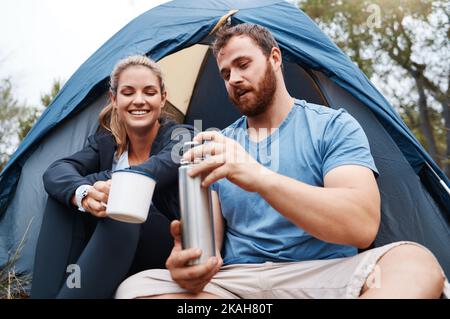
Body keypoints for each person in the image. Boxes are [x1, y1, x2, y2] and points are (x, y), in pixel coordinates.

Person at [115, 25, 449, 299]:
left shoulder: (333, 126)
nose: (233, 79)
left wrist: (258, 176)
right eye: (226, 73)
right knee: (136, 289)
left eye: (243, 65)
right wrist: (189, 268)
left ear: (274, 58)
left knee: (415, 264)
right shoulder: (218, 145)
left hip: (323, 276)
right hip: (237, 288)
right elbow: (209, 253)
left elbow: (361, 227)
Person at [31, 55, 193, 298]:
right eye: (128, 92)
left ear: (163, 99)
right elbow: (56, 172)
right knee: (63, 198)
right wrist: (84, 194)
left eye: (149, 92)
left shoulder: (182, 135)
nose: (139, 100)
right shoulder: (105, 145)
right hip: (110, 251)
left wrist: (106, 183)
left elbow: (162, 166)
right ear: (114, 100)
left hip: (164, 248)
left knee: (123, 202)